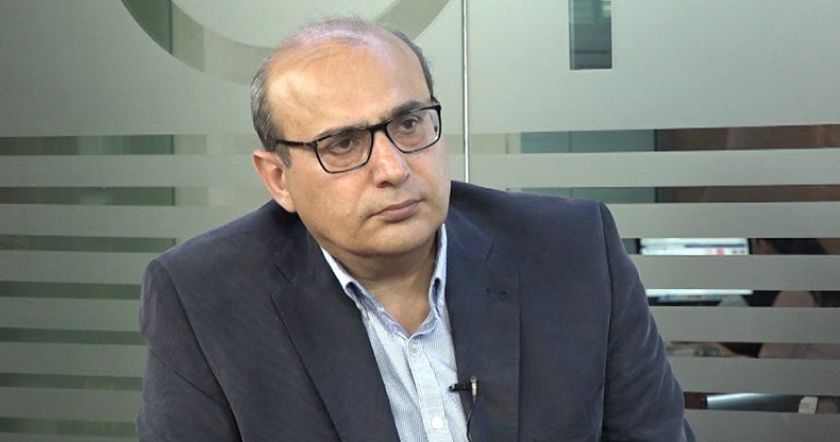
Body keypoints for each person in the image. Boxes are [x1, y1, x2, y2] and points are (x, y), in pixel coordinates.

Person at [136, 17, 694, 441]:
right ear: (279, 179)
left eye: (408, 124)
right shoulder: (204, 297)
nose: (393, 168)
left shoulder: (572, 250)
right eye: (342, 144)